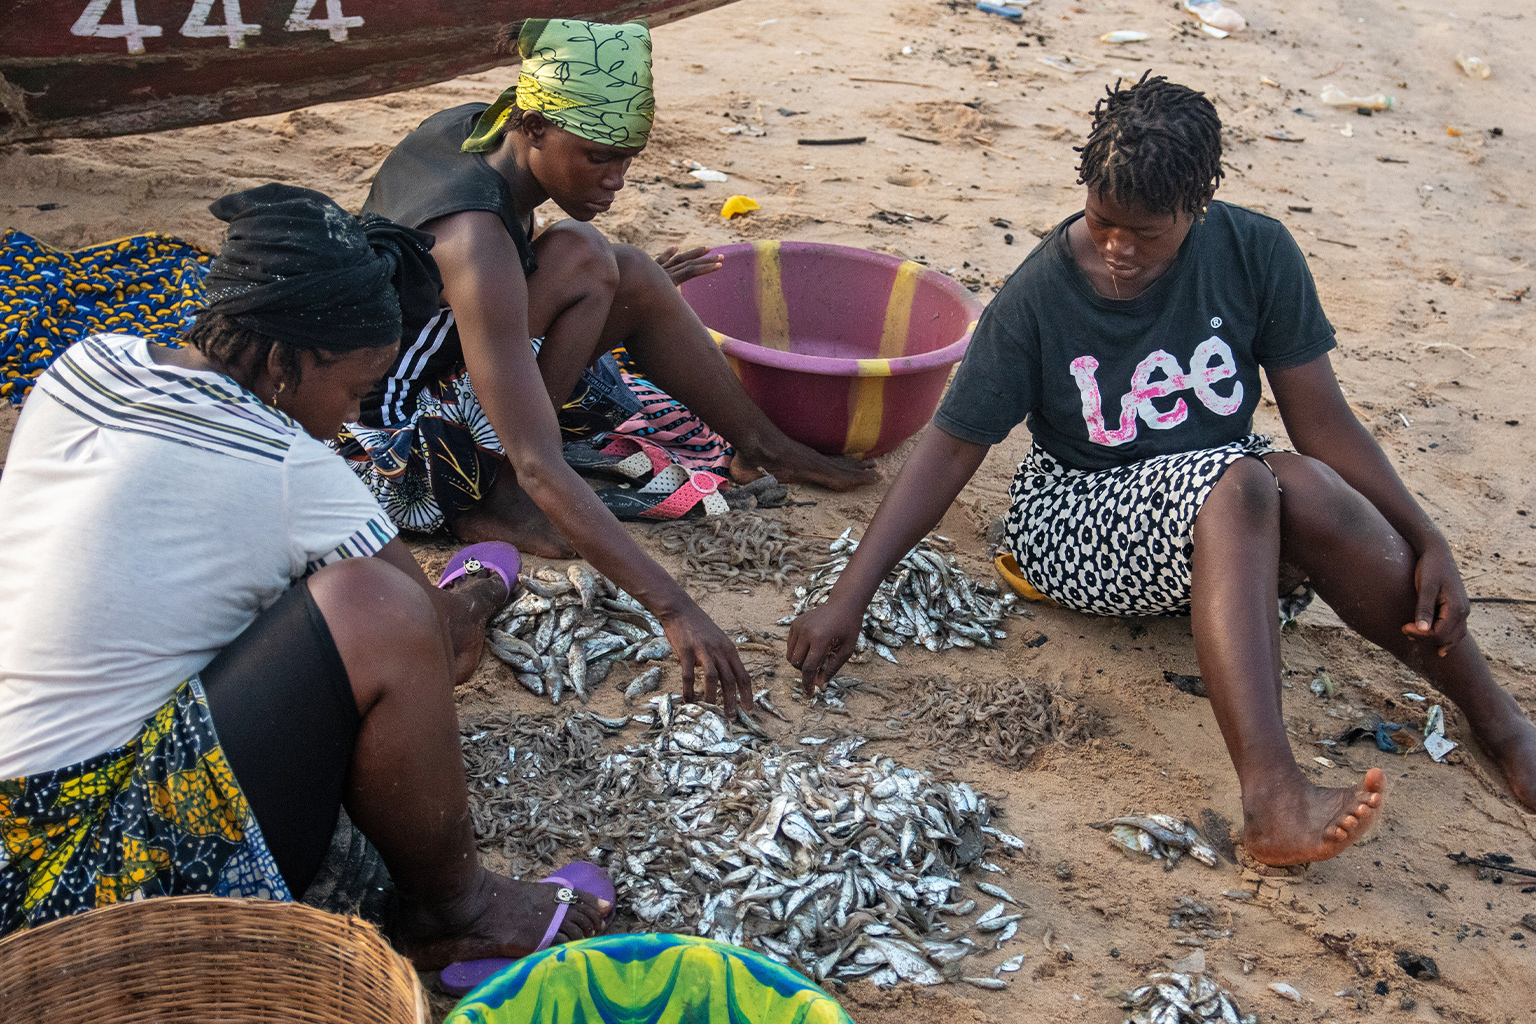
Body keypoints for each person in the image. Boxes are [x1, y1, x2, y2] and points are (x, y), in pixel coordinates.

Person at [785, 75, 1536, 867]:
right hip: (1073, 520)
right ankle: (1272, 797)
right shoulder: (1041, 293)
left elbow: (1324, 423)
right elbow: (948, 449)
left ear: (1196, 207)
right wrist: (848, 598)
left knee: (1307, 485)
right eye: (1103, 222)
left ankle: (1503, 724)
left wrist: (1426, 538)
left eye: (1146, 234)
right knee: (1243, 478)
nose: (1118, 249)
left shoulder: (1254, 251)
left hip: (1223, 520)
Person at [0, 184, 609, 965]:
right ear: (285, 361)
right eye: (354, 391)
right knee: (374, 604)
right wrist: (481, 593)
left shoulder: (87, 362)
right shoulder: (288, 467)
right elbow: (433, 644)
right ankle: (460, 909)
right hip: (81, 878)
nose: (353, 421)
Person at [337, 18, 877, 714]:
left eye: (628, 158)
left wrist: (635, 291)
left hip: (440, 357)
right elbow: (540, 457)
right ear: (533, 125)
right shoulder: (473, 238)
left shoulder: (476, 130)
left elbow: (528, 281)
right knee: (592, 260)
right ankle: (493, 500)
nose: (616, 179)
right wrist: (675, 607)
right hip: (395, 447)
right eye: (596, 157)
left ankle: (763, 445)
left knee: (624, 268)